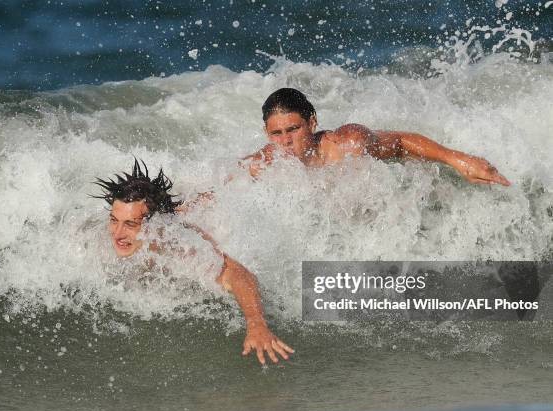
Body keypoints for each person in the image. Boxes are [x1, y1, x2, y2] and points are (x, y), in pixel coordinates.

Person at [94, 159, 294, 365]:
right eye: (114, 220)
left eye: (130, 224)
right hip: (178, 211)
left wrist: (256, 324)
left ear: (156, 225)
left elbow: (236, 273)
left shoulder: (177, 245)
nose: (117, 234)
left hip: (206, 216)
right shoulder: (100, 236)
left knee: (218, 194)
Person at [240, 88, 510, 185]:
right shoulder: (264, 164)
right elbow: (223, 183)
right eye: (276, 133)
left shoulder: (349, 144)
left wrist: (456, 159)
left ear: (311, 122)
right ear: (267, 133)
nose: (286, 141)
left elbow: (400, 143)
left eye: (293, 129)